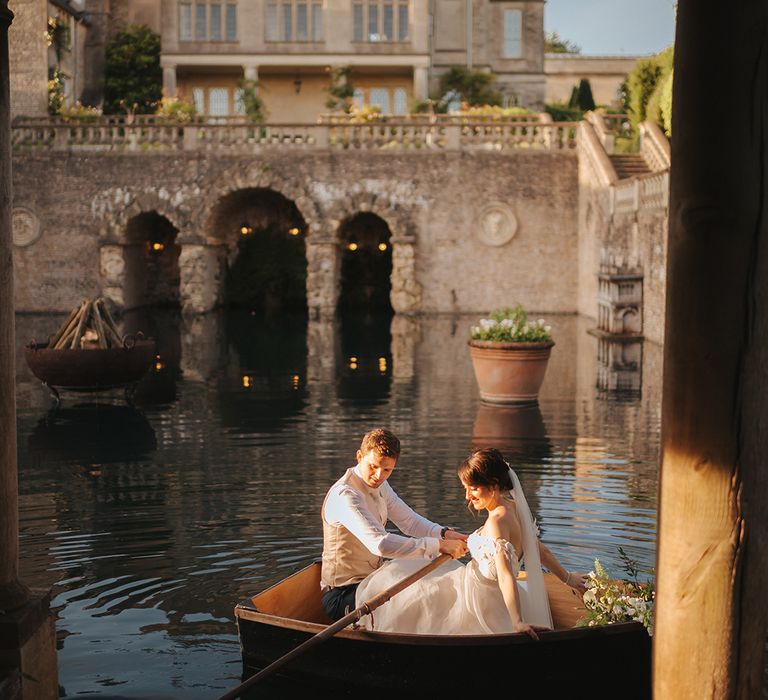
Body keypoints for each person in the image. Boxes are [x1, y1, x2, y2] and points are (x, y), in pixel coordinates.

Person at [354, 447, 587, 638]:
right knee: (412, 579)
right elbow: (538, 549)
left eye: (473, 489)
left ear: (493, 485)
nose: (467, 496)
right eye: (466, 488)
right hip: (487, 588)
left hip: (477, 599)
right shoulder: (513, 508)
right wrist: (568, 578)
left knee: (407, 590)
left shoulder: (497, 521)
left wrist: (517, 621)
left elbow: (506, 574)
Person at [320, 428, 469, 620]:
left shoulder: (381, 485)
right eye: (373, 466)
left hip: (371, 580)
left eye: (387, 470)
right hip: (342, 596)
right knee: (423, 593)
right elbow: (380, 544)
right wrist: (439, 546)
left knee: (440, 577)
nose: (379, 475)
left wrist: (444, 534)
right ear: (359, 457)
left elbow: (409, 522)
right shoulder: (346, 496)